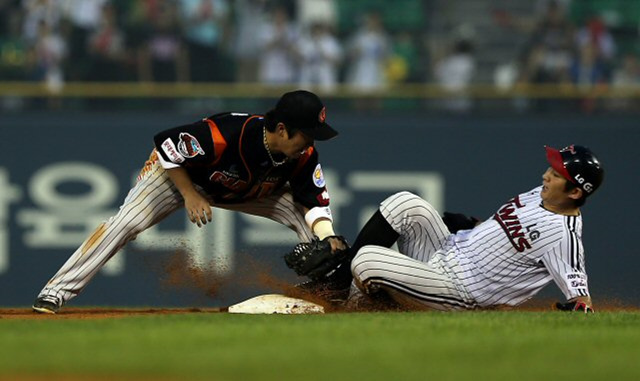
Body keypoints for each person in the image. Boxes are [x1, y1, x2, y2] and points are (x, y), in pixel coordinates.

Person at [32, 90, 347, 314]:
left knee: (305, 219)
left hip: (243, 190)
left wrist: (328, 236)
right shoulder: (227, 133)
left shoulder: (302, 154)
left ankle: (333, 295)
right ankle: (55, 292)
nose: (311, 142)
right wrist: (190, 194)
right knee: (127, 223)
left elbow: (314, 201)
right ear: (282, 129)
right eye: (307, 135)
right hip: (180, 177)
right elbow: (168, 145)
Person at [344, 145, 603, 312]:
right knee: (405, 203)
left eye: (557, 175)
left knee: (367, 260)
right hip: (447, 254)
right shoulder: (542, 195)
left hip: (460, 293)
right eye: (551, 168)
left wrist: (579, 308)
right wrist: (472, 225)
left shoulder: (562, 236)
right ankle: (340, 283)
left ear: (575, 192)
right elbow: (506, 234)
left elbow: (581, 297)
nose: (546, 175)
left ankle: (356, 305)